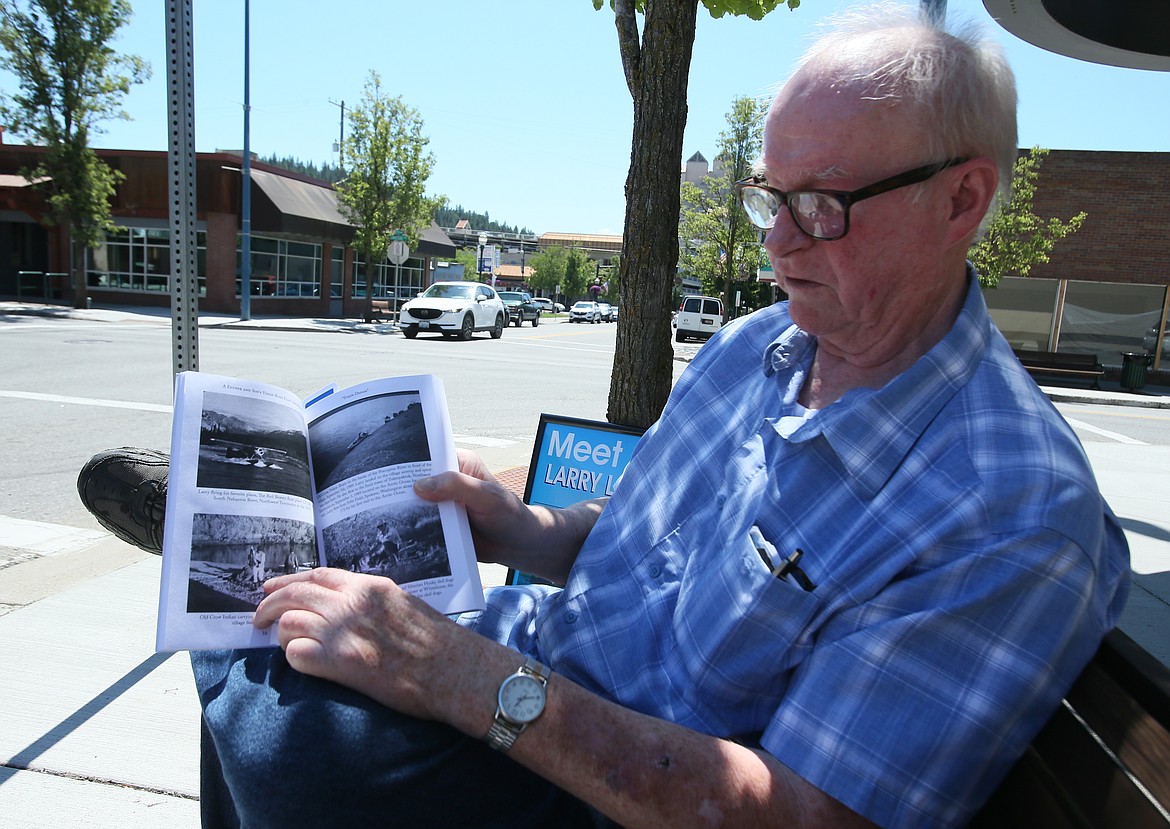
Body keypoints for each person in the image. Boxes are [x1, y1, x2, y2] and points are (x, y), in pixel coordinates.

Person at [77, 6, 1129, 827]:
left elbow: (809, 815)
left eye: (825, 206)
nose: (779, 245)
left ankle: (238, 542)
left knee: (272, 711)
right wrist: (512, 527)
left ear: (962, 201)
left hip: (596, 792)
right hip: (527, 666)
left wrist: (458, 674)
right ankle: (253, 526)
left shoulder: (1011, 511)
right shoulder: (754, 348)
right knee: (257, 633)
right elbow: (638, 537)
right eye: (773, 196)